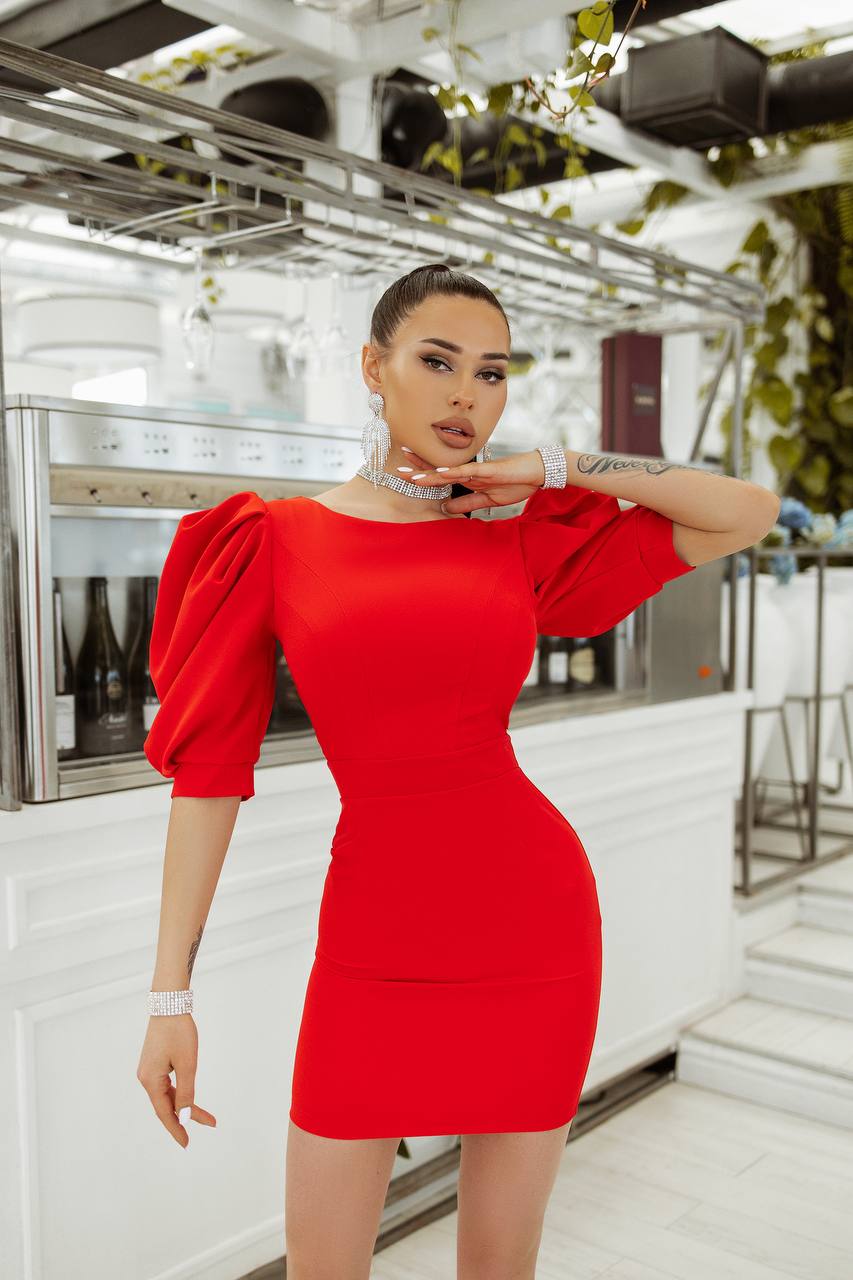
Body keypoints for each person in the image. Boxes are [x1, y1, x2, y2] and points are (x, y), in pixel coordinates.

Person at [136, 263, 780, 1279]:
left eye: (490, 372)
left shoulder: (514, 535)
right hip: (374, 934)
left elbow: (744, 510)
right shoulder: (274, 539)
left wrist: (559, 466)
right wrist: (169, 998)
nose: (465, 395)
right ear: (373, 367)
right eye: (436, 361)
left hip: (530, 921)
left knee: (498, 1266)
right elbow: (208, 777)